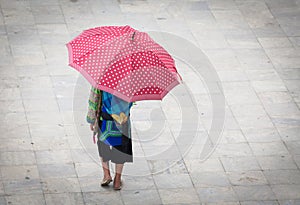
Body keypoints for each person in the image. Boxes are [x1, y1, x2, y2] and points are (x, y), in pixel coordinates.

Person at [87, 87, 133, 190]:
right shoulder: (130, 81)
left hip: (105, 119)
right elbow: (131, 101)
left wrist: (91, 120)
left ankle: (106, 175)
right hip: (122, 121)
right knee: (121, 149)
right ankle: (117, 180)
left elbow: (94, 100)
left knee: (103, 147)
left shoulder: (102, 78)